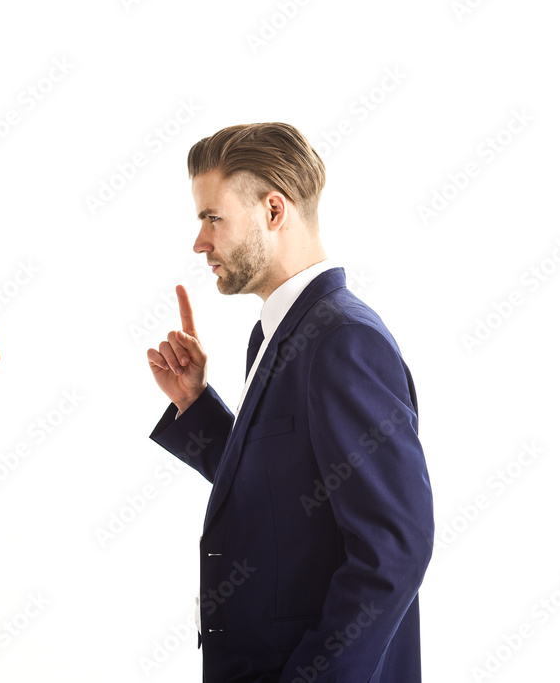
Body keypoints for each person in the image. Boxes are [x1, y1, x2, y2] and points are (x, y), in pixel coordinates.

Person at [146, 123, 434, 682]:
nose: (199, 242)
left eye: (212, 218)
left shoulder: (344, 341)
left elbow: (394, 549)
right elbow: (290, 493)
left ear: (273, 211)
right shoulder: (275, 334)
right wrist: (197, 405)